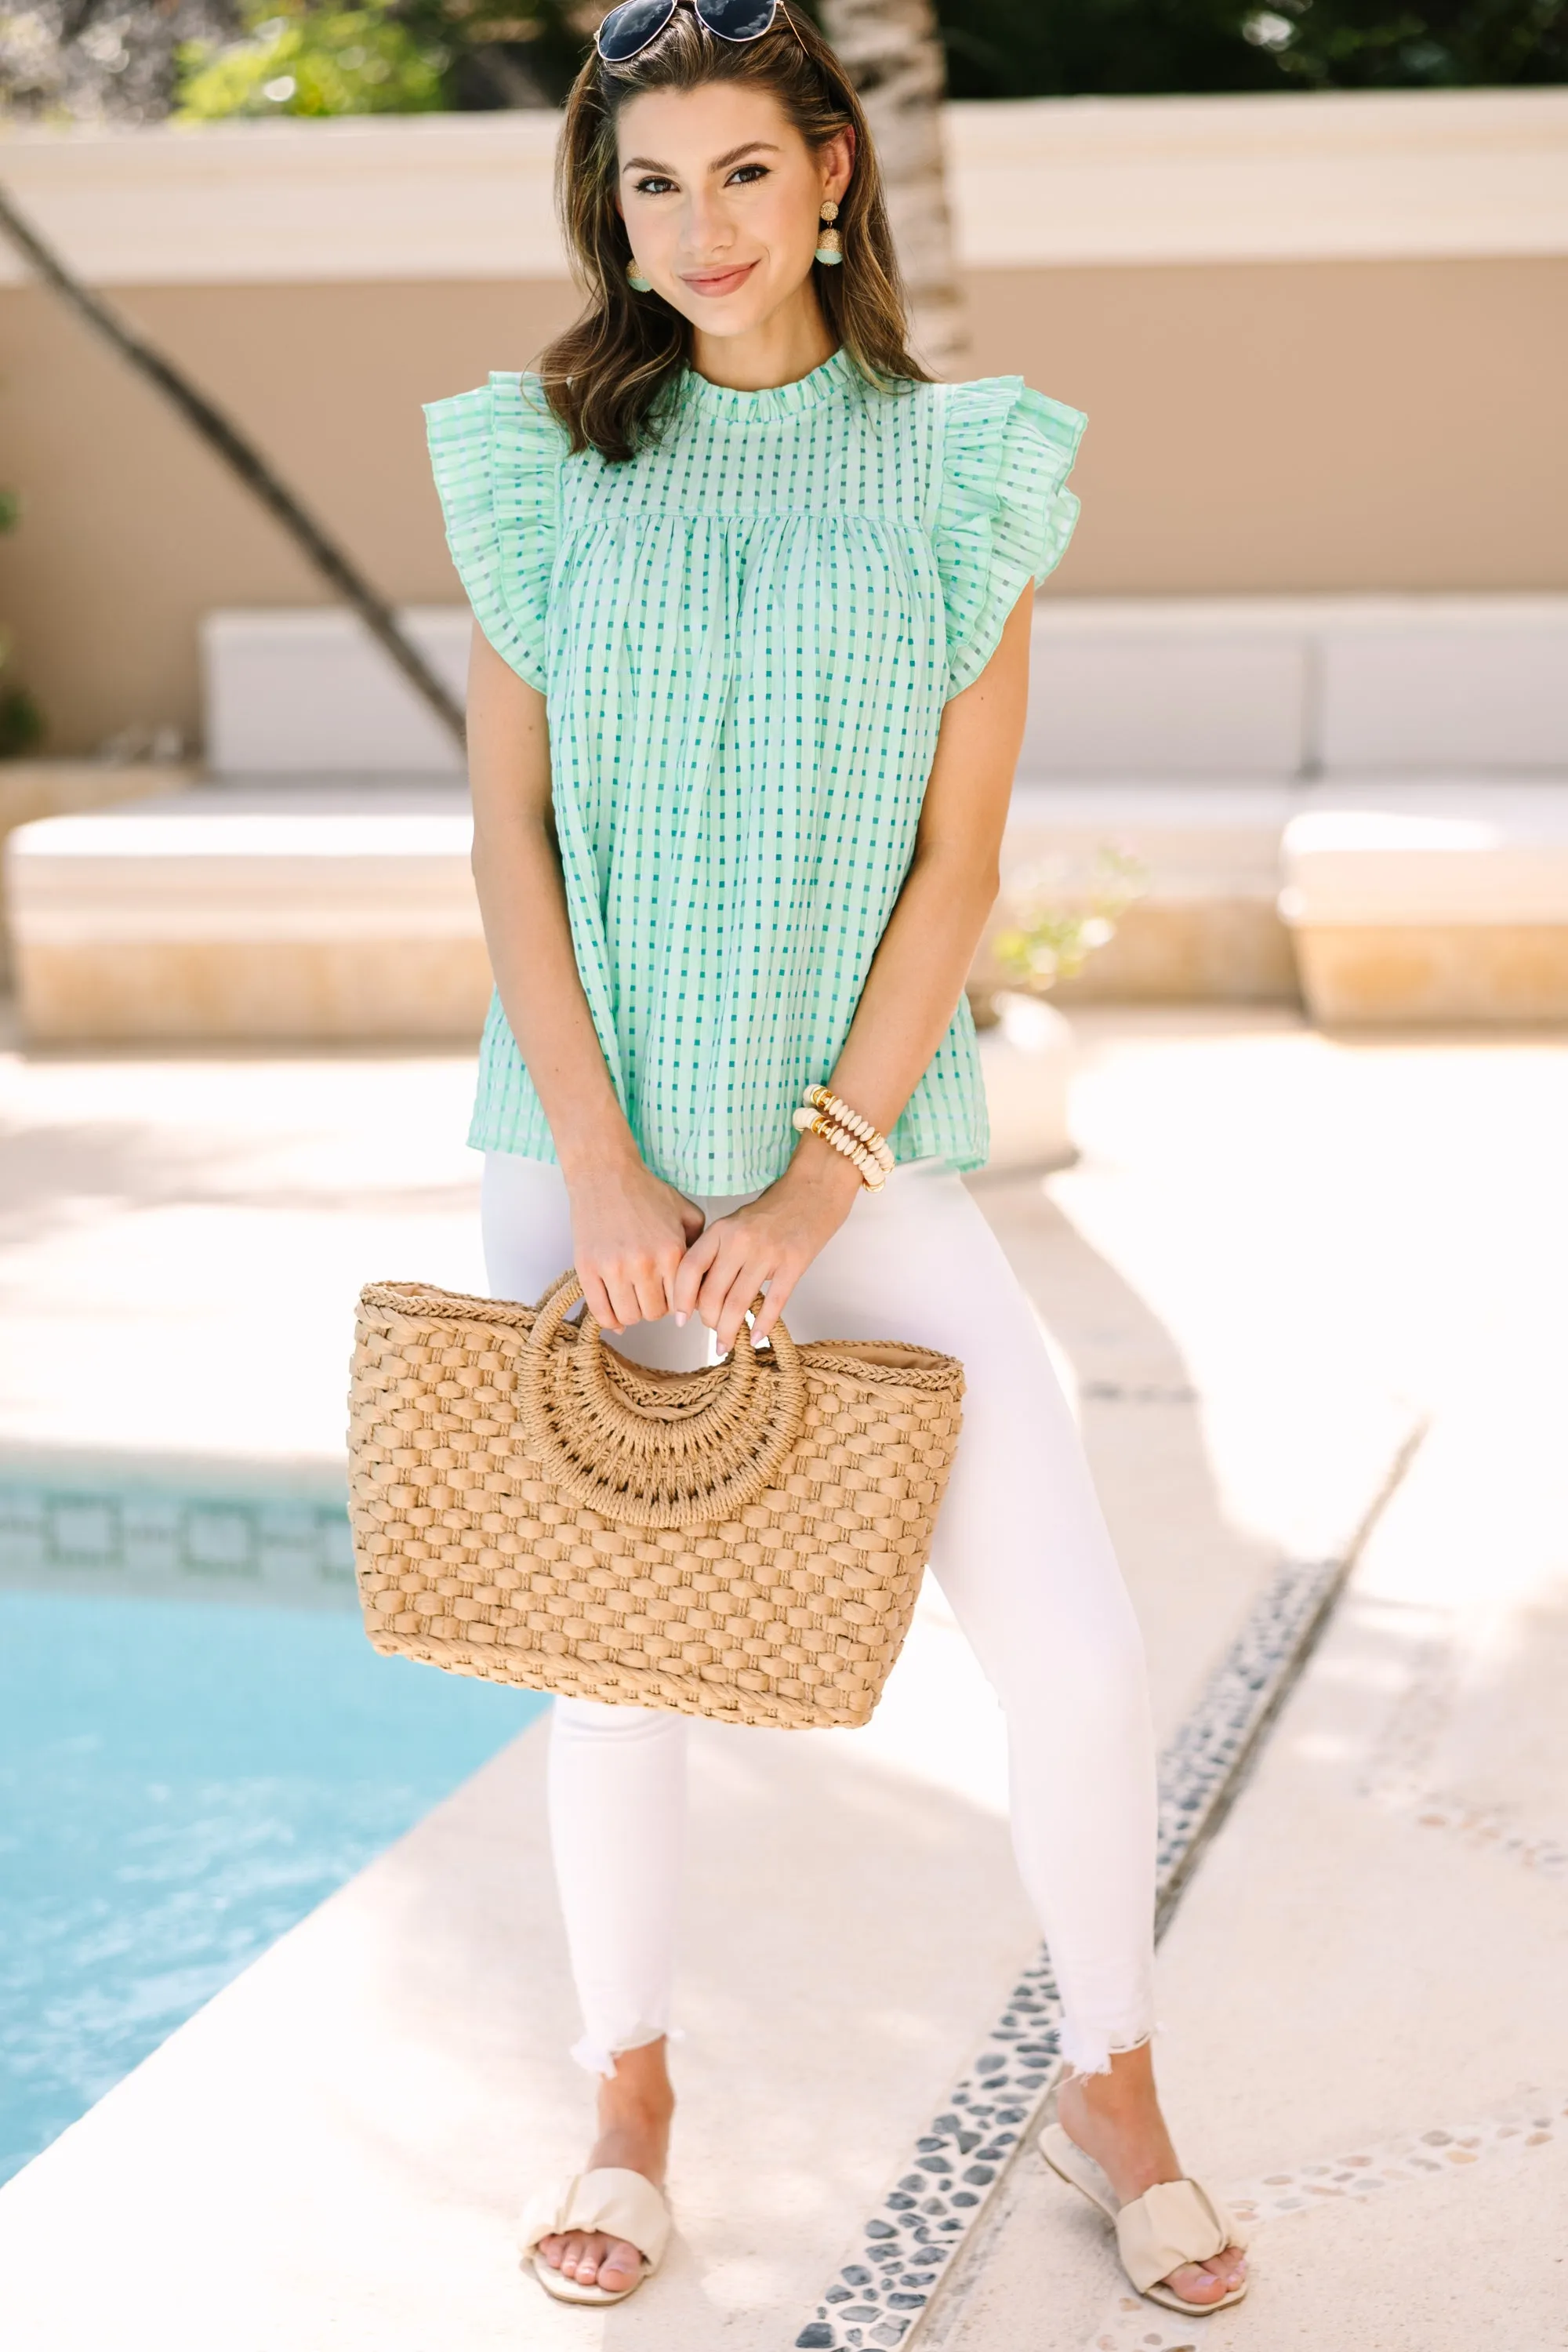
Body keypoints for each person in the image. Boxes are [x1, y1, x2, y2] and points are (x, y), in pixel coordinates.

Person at [423, 0, 1247, 2318]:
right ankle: (631, 2094)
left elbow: (957, 868)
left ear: (832, 181)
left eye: (739, 175)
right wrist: (601, 1177)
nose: (693, 226)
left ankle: (1119, 2083)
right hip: (576, 1150)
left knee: (1075, 1655)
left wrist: (811, 1186)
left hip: (857, 1163)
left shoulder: (964, 467)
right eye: (649, 183)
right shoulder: (541, 464)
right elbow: (503, 833)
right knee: (617, 1674)